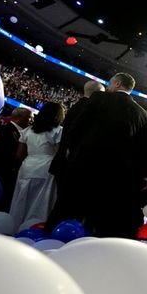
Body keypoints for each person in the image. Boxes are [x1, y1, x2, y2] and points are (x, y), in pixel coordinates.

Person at [68, 72, 147, 238]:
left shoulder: (99, 98)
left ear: (118, 84)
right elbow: (144, 148)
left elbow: (77, 127)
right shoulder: (141, 113)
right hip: (118, 173)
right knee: (103, 214)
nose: (108, 86)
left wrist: (73, 150)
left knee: (79, 209)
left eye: (110, 83)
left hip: (87, 164)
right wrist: (145, 175)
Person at [45, 80, 104, 232]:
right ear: (97, 94)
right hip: (74, 164)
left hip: (65, 163)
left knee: (63, 203)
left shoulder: (76, 106)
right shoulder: (89, 109)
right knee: (68, 206)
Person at [9, 102, 65, 226]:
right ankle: (35, 228)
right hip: (47, 168)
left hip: (27, 167)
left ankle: (15, 225)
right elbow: (59, 154)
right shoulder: (59, 131)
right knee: (41, 204)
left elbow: (19, 155)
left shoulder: (28, 130)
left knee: (21, 200)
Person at [0, 107, 32, 212]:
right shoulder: (7, 130)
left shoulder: (19, 132)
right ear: (19, 118)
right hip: (0, 175)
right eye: (29, 117)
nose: (31, 120)